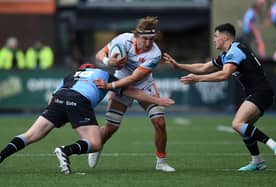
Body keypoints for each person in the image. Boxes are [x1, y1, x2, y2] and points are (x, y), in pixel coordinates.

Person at [0, 63, 174, 174]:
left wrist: (58, 115)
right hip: (79, 100)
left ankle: (1, 155)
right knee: (95, 143)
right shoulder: (102, 74)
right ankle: (65, 151)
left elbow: (52, 98)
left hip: (59, 98)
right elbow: (133, 92)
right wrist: (158, 100)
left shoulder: (71, 75)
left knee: (30, 135)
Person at [163, 23, 276, 171]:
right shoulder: (226, 55)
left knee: (237, 124)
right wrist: (179, 65)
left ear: (224, 38)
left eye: (216, 36)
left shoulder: (235, 51)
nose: (214, 40)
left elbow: (224, 75)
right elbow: (203, 67)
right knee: (243, 127)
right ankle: (257, 161)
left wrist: (198, 79)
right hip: (259, 93)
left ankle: (274, 144)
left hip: (260, 92)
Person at [88, 16, 176, 172]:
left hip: (143, 84)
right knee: (111, 127)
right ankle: (97, 146)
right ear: (136, 36)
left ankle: (161, 162)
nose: (148, 43)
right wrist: (109, 62)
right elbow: (100, 54)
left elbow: (135, 78)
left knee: (160, 122)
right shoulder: (123, 39)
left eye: (151, 39)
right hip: (121, 82)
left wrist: (110, 85)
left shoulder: (155, 53)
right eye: (145, 38)